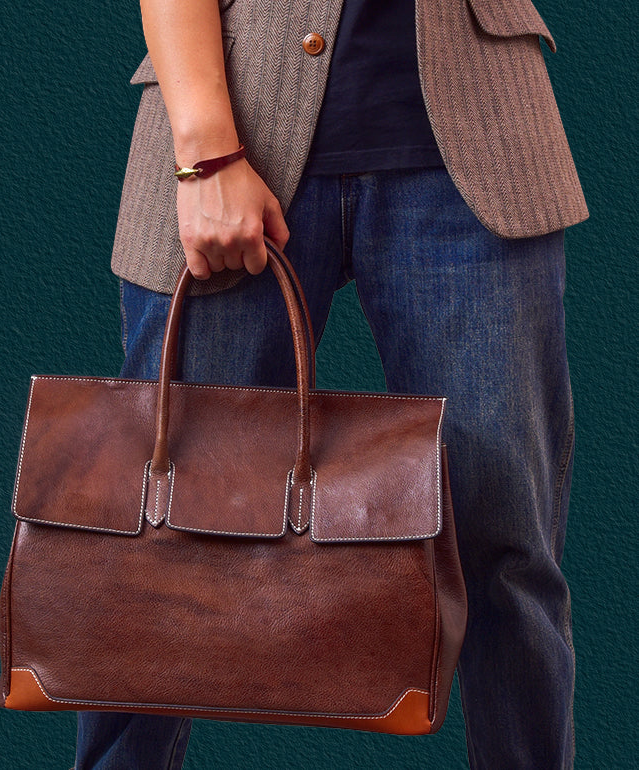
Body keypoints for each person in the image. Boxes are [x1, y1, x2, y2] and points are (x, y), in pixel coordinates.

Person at [74, 0, 589, 767]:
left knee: (504, 545)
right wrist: (206, 152)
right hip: (232, 131)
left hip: (479, 146)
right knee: (157, 535)